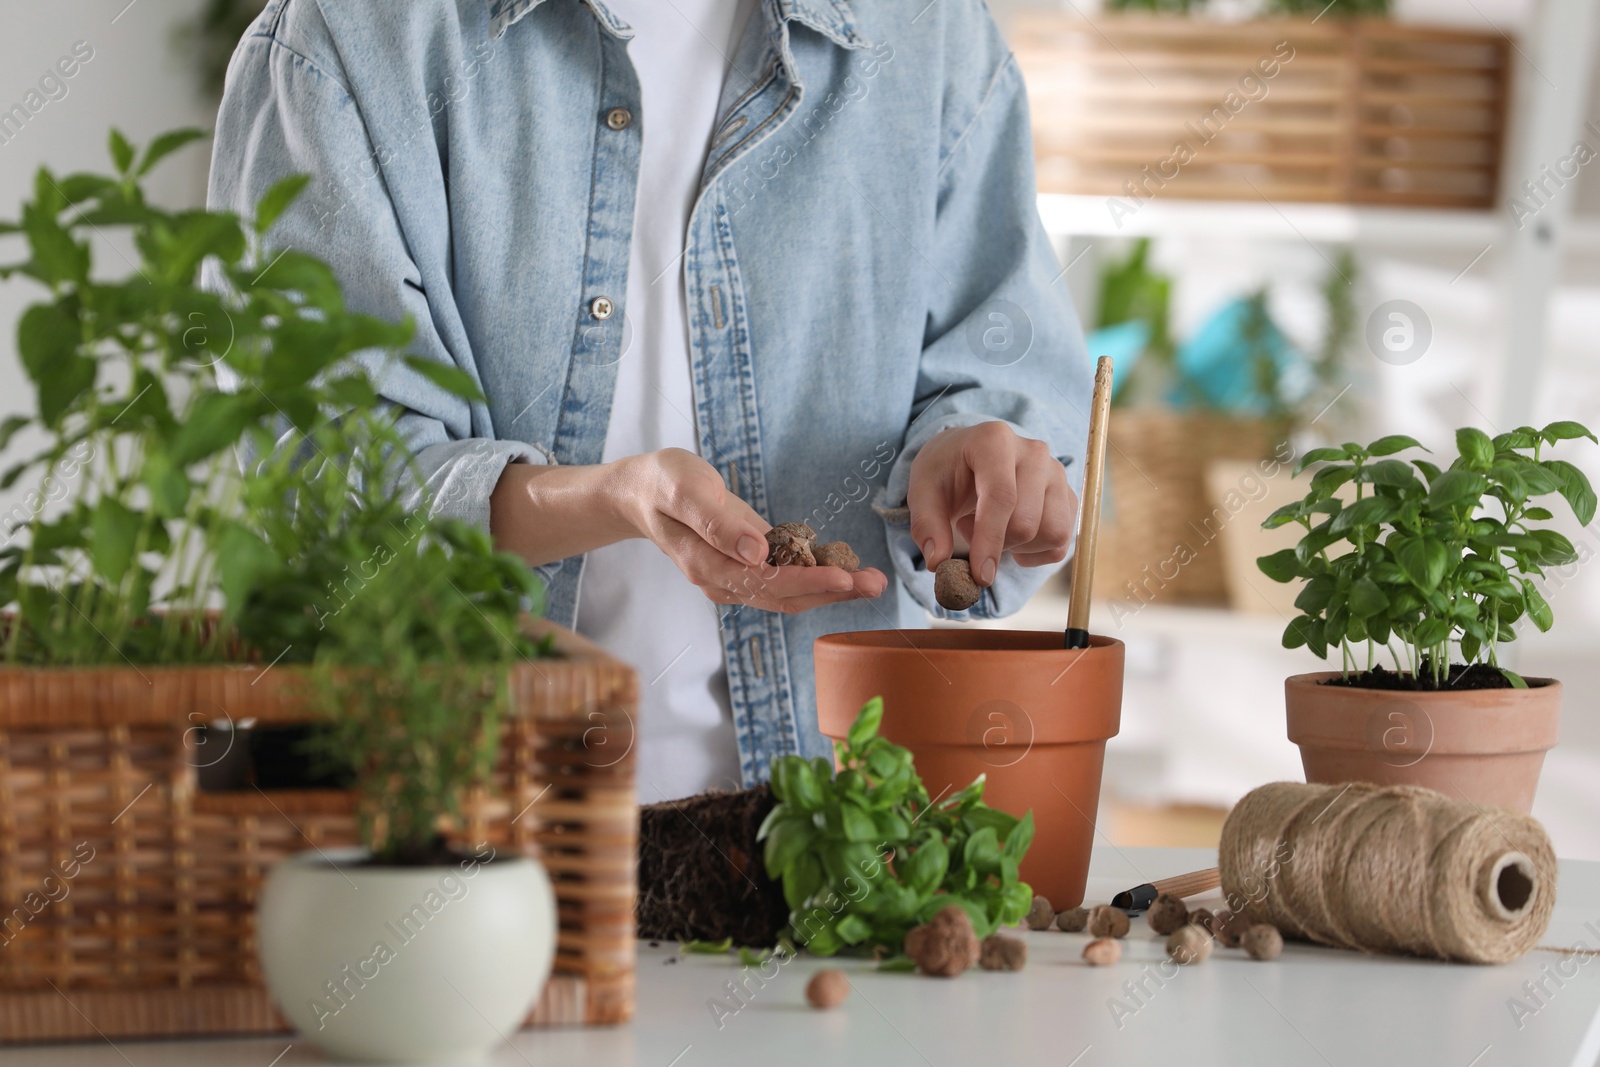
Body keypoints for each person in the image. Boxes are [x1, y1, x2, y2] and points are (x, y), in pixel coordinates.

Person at [207, 0, 1092, 804]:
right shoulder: (347, 42)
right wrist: (613, 500)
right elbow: (318, 487)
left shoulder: (927, 31)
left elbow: (1005, 368)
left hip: (834, 843)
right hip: (464, 846)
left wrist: (974, 462)